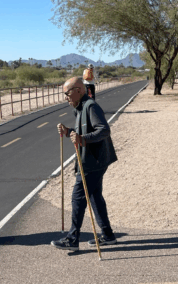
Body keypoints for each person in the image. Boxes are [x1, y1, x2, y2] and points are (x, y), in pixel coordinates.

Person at [51, 77, 117, 251]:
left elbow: (103, 130)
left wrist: (83, 139)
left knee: (78, 197)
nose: (65, 97)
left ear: (78, 90)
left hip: (93, 161)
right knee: (95, 197)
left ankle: (72, 239)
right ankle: (108, 235)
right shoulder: (79, 108)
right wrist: (68, 132)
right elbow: (81, 132)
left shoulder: (90, 106)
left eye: (67, 93)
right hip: (94, 159)